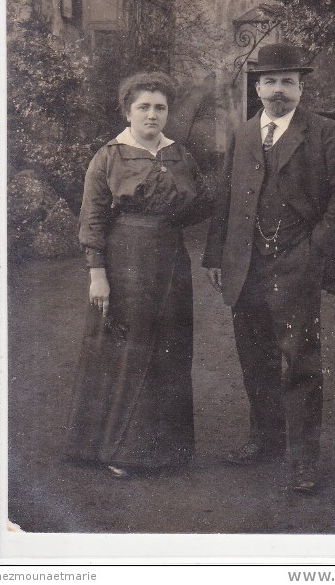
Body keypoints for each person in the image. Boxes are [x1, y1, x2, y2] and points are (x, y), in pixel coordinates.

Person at [203, 44, 335, 493]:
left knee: (300, 363)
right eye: (271, 82)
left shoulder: (323, 133)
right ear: (257, 88)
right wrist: (217, 255)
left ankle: (303, 460)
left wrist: (313, 249)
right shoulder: (244, 132)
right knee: (254, 358)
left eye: (288, 82)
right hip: (246, 265)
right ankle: (265, 440)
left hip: (297, 266)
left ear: (300, 87)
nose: (279, 91)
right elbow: (227, 198)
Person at [65, 71, 212, 479]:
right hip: (124, 260)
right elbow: (92, 218)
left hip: (171, 261)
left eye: (160, 107)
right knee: (128, 350)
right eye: (143, 107)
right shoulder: (109, 156)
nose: (152, 115)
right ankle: (118, 448)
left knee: (170, 348)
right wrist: (97, 273)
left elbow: (200, 204)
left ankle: (166, 450)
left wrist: (172, 215)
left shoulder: (180, 155)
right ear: (127, 111)